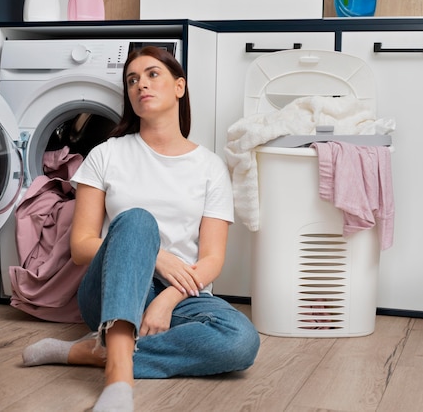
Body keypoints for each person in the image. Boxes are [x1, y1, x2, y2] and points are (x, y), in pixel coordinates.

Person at [21, 46, 261, 412]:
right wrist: (158, 258)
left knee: (241, 341)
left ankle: (89, 351)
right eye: (132, 79)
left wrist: (167, 299)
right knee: (136, 220)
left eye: (152, 75)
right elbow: (82, 246)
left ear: (179, 87)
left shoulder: (209, 166)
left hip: (182, 294)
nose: (140, 85)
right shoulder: (107, 154)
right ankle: (119, 379)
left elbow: (211, 260)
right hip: (109, 289)